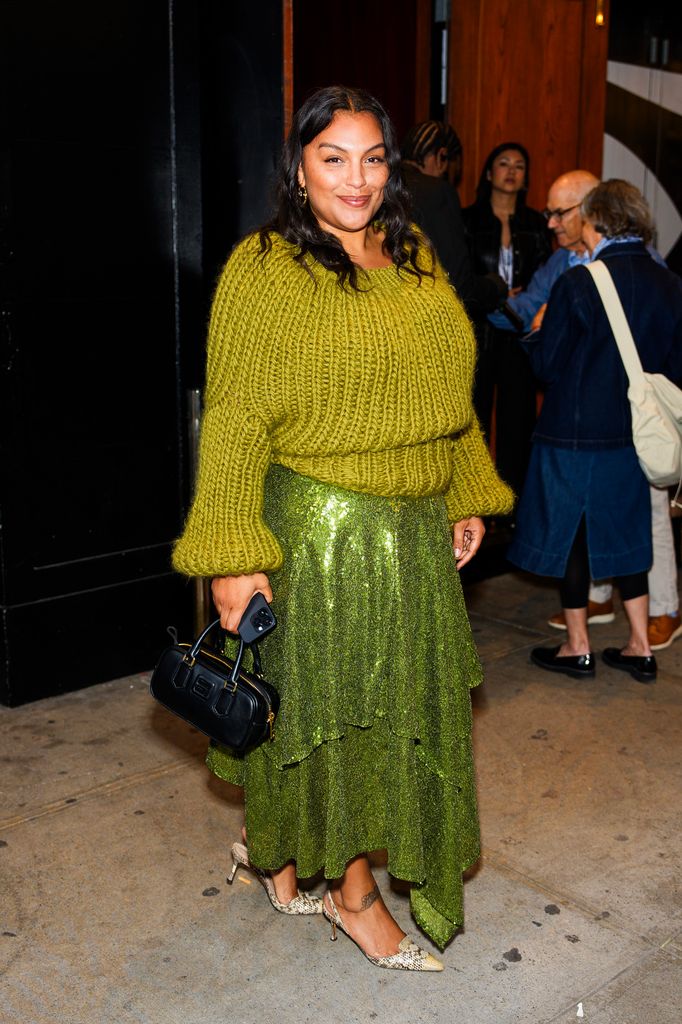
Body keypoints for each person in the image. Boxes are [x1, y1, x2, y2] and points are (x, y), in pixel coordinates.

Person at [173, 86, 514, 970]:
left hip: (408, 537)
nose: (355, 179)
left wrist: (463, 489)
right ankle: (352, 896)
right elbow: (238, 420)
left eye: (372, 159)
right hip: (318, 533)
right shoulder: (265, 268)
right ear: (300, 167)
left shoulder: (416, 256)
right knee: (335, 719)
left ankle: (280, 851)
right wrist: (230, 558)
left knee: (381, 713)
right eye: (334, 158)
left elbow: (446, 393)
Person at [493, 170, 681, 650]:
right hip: (635, 432)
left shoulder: (578, 281)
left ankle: (578, 648)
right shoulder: (669, 282)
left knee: (575, 536)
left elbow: (549, 366)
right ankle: (640, 646)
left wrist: (537, 329)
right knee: (628, 534)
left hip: (573, 434)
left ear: (594, 220)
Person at [462, 143, 552, 501]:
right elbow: (462, 274)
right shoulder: (467, 219)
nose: (511, 171)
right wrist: (493, 294)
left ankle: (515, 503)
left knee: (519, 419)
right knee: (475, 416)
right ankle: (477, 500)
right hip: (479, 329)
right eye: (503, 163)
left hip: (522, 330)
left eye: (519, 165)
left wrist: (526, 299)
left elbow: (548, 273)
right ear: (488, 173)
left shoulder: (537, 223)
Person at [401, 120, 508, 318]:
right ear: (442, 156)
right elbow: (458, 285)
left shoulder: (382, 182)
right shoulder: (437, 192)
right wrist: (496, 286)